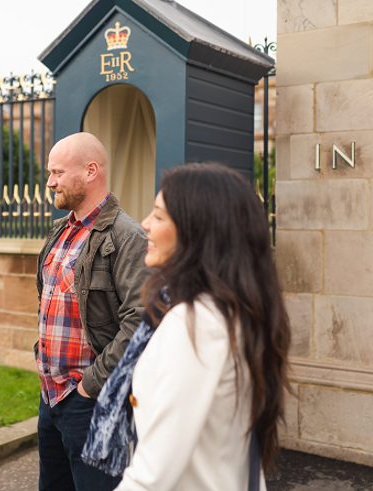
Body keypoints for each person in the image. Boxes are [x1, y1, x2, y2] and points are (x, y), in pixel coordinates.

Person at [109, 163, 291, 490]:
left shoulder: (194, 324)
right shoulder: (229, 311)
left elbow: (152, 475)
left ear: (197, 232)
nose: (146, 224)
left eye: (159, 216)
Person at [35, 132, 152, 491]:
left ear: (90, 171)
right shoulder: (61, 231)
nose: (50, 181)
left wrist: (90, 386)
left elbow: (141, 320)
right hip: (50, 397)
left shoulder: (128, 236)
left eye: (57, 172)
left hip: (91, 400)